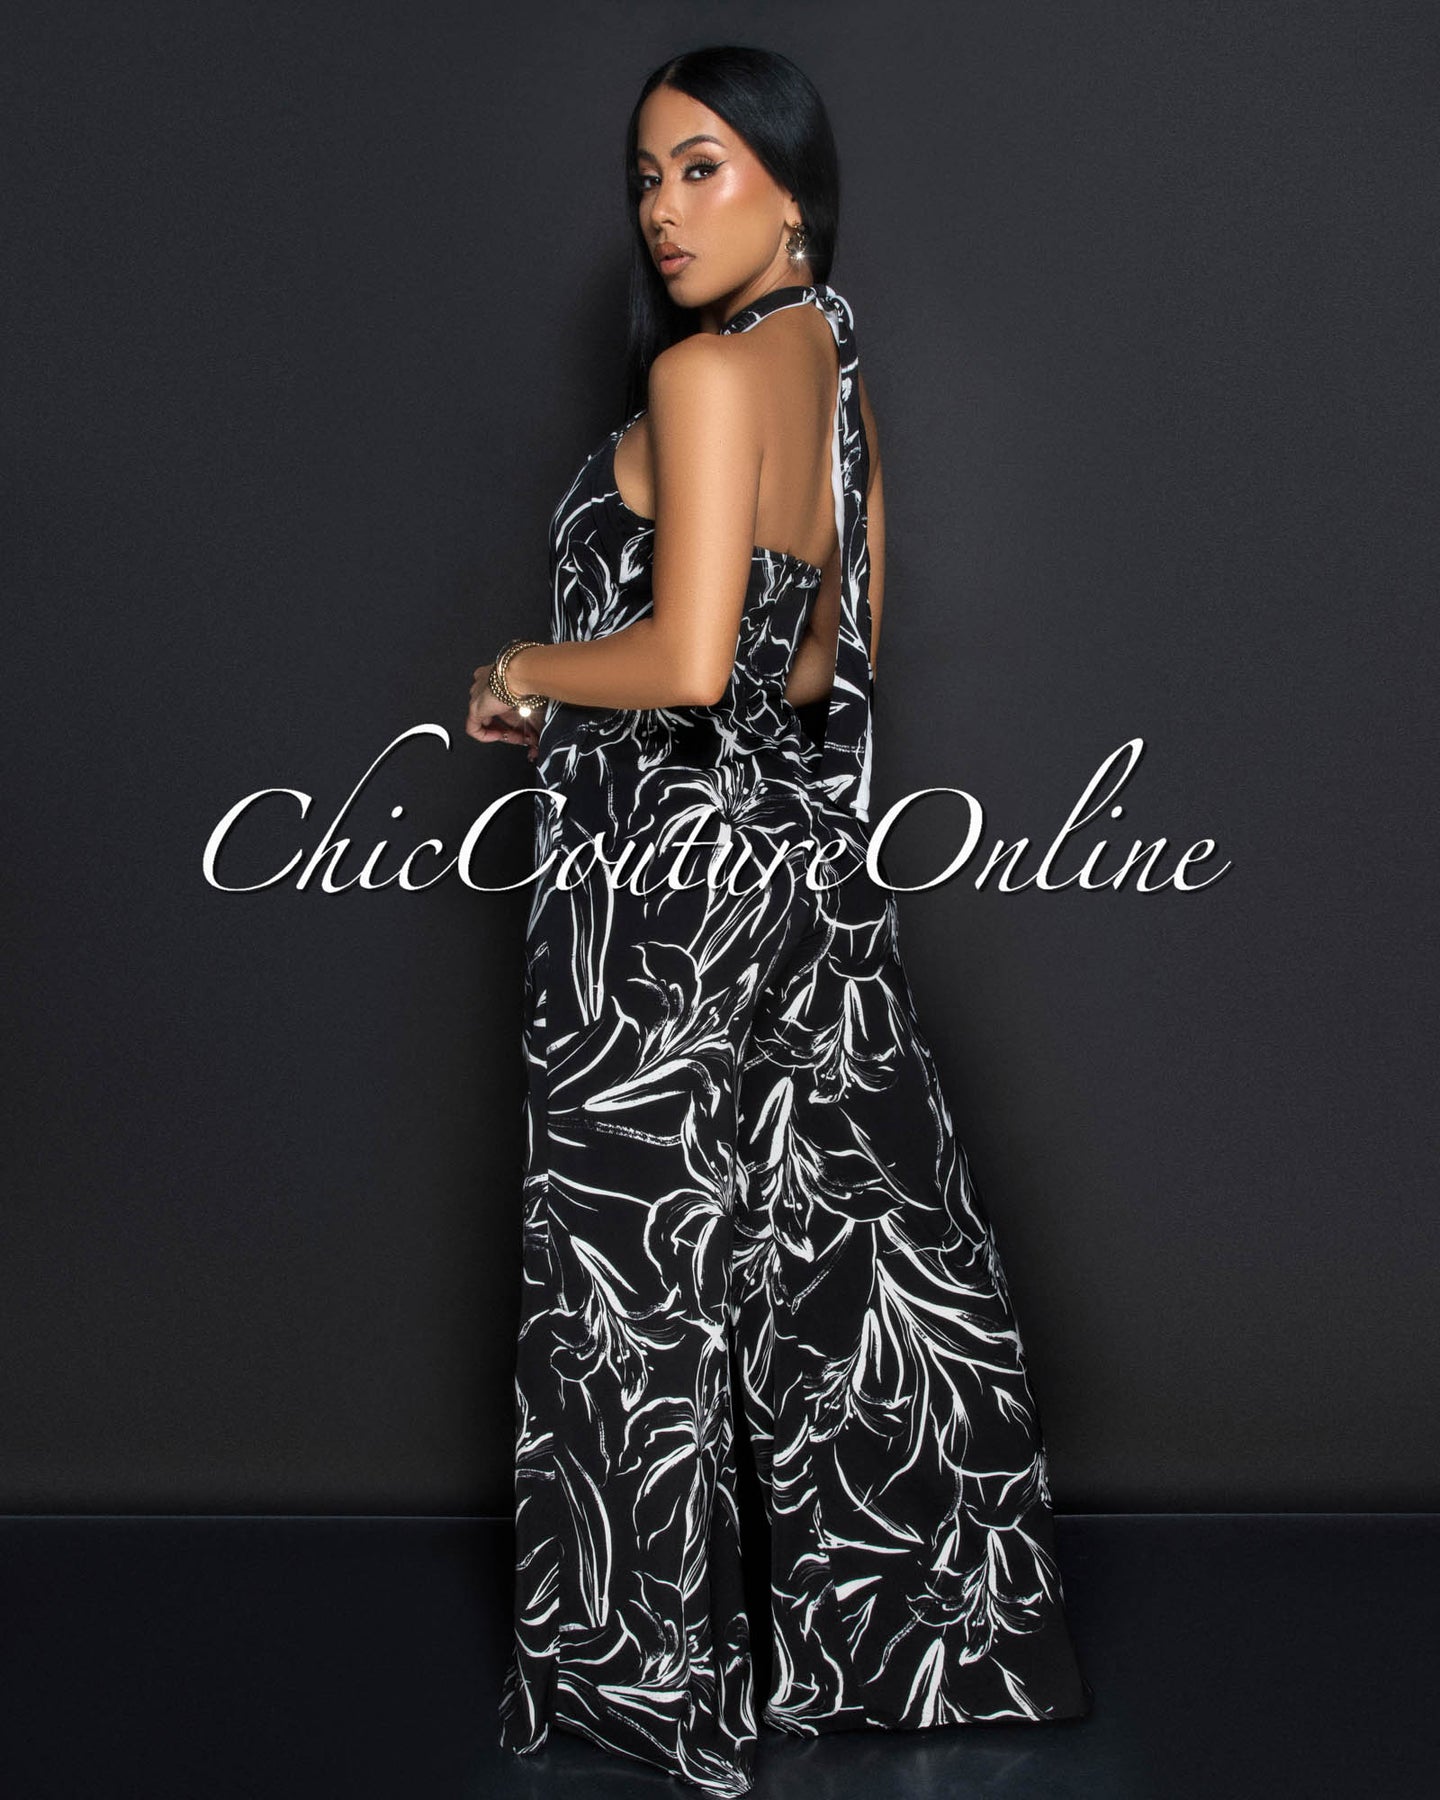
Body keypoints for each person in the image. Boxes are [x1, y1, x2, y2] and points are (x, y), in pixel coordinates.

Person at [465, 44, 1093, 1799]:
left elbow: (683, 664)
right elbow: (825, 664)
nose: (663, 211)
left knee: (635, 1281)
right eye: (645, 177)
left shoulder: (702, 377)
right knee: (847, 1255)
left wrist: (522, 670)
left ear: (794, 192)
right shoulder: (839, 377)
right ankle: (927, 1641)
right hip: (798, 875)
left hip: (656, 906)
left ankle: (642, 1674)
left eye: (704, 169)